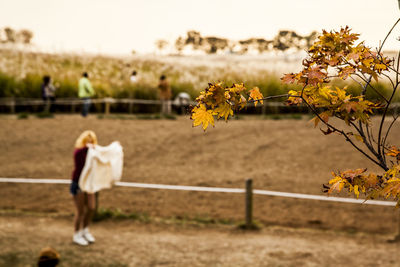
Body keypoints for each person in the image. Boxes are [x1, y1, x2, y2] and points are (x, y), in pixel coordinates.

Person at [70, 130, 97, 246]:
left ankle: (85, 230)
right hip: (78, 183)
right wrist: (86, 149)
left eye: (91, 141)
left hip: (89, 184)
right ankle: (77, 234)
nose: (89, 144)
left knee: (91, 207)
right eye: (87, 141)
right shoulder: (79, 152)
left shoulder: (94, 153)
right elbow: (79, 161)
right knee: (80, 211)